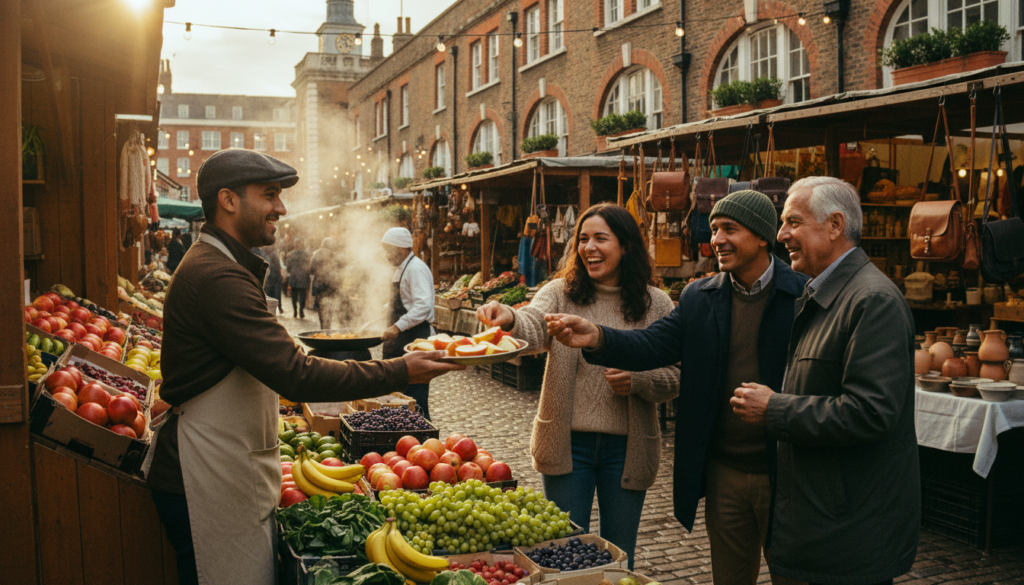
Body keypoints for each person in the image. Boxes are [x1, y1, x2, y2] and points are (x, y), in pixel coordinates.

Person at [143, 149, 463, 585]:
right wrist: (401, 370)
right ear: (228, 200)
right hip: (205, 476)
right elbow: (297, 374)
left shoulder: (220, 265)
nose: (281, 207)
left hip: (220, 468)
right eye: (270, 194)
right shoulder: (218, 275)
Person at [544, 193, 807, 584]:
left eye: (729, 229)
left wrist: (780, 407)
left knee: (795, 574)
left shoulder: (804, 295)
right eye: (714, 229)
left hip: (786, 470)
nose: (716, 239)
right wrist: (597, 336)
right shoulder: (701, 297)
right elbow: (652, 344)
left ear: (763, 237)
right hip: (725, 470)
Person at [730, 177, 919, 585]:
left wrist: (774, 408)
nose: (781, 235)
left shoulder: (873, 301)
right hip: (818, 526)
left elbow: (870, 413)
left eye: (793, 222)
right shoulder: (826, 293)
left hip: (847, 536)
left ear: (835, 226)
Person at [477, 204, 679, 570]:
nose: (589, 247)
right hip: (568, 445)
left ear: (626, 246)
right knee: (562, 555)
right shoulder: (560, 292)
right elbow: (535, 324)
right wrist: (509, 318)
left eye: (601, 238)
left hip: (628, 449)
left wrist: (639, 380)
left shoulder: (656, 304)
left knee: (620, 557)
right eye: (583, 239)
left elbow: (678, 375)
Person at [380, 228, 436, 420]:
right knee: (397, 396)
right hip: (400, 342)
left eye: (388, 250)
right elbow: (404, 300)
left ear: (401, 249)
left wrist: (397, 326)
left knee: (415, 395)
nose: (385, 256)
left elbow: (422, 306)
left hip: (414, 339)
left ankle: (422, 435)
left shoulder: (415, 269)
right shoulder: (402, 268)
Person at [310, 237, 344, 329]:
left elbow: (311, 270)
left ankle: (323, 329)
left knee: (321, 311)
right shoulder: (334, 255)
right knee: (329, 311)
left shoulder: (316, 254)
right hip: (331, 286)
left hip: (319, 287)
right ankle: (327, 328)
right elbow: (340, 269)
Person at [253, 243, 283, 314]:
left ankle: (268, 310)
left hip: (268, 277)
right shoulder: (274, 254)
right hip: (274, 277)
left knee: (268, 294)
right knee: (275, 293)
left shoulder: (264, 253)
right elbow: (277, 266)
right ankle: (277, 308)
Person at [285, 237, 311, 319]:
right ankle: (301, 309)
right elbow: (309, 266)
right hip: (303, 277)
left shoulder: (291, 254)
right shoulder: (306, 254)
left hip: (294, 277)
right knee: (303, 294)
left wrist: (291, 271)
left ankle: (295, 311)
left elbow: (288, 267)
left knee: (294, 295)